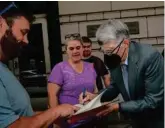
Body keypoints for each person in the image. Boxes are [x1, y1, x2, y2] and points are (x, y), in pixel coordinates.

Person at [0, 3, 78, 128]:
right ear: (1, 24)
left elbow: (23, 116)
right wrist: (55, 112)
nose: (26, 41)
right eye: (23, 32)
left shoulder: (4, 68)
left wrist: (54, 117)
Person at [79, 19, 164, 128]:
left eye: (110, 51)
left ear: (125, 43)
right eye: (104, 52)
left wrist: (118, 106)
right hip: (137, 120)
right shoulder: (115, 59)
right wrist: (95, 97)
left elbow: (153, 100)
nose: (108, 56)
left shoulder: (149, 57)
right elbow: (114, 87)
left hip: (157, 120)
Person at [47, 33, 98, 127]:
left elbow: (95, 92)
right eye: (71, 48)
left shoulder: (90, 67)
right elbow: (52, 96)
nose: (75, 51)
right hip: (68, 122)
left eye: (78, 48)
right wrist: (56, 122)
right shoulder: (60, 68)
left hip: (89, 120)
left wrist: (92, 97)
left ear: (82, 48)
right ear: (66, 51)